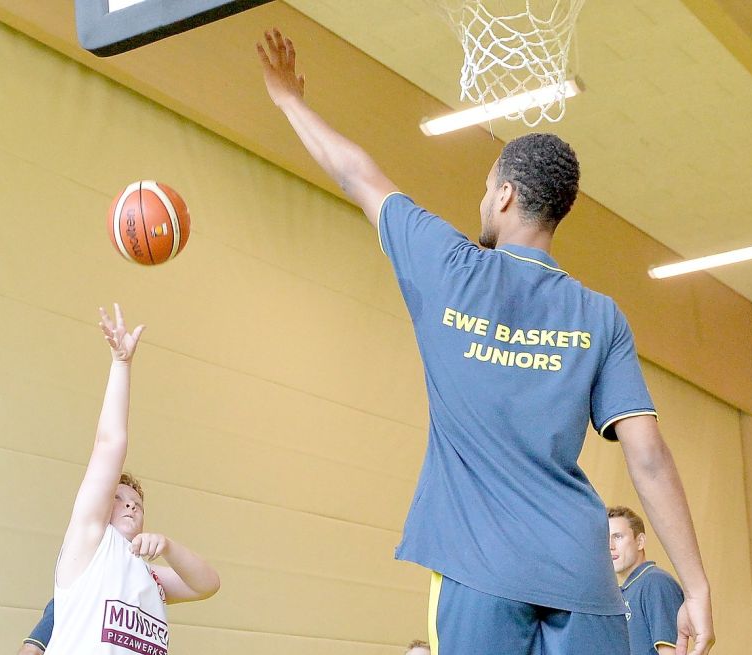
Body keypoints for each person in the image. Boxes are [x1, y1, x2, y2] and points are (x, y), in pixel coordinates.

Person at [257, 29, 713, 655]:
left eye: (484, 187)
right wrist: (696, 585)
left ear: (504, 196)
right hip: (582, 576)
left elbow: (356, 174)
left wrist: (288, 100)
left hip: (480, 570)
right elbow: (649, 456)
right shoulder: (600, 315)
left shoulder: (451, 267)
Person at [44, 304, 220, 654]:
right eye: (120, 498)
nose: (130, 506)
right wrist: (121, 364)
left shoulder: (150, 576)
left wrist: (168, 546)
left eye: (137, 504)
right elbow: (110, 444)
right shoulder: (90, 542)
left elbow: (208, 584)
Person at [608, 506, 685, 655]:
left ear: (640, 541)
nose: (610, 546)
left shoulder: (655, 583)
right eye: (605, 538)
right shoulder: (621, 592)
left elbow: (670, 652)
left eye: (618, 537)